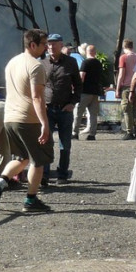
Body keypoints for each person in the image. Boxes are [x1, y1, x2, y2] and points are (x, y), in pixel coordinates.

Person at [0, 29, 53, 213]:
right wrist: (45, 124)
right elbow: (37, 97)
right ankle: (31, 201)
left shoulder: (12, 62)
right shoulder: (36, 66)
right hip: (28, 119)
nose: (46, 47)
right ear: (33, 45)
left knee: (22, 158)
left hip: (10, 117)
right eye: (43, 44)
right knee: (38, 161)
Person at [42, 33, 81, 186]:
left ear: (61, 45)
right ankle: (44, 175)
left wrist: (73, 102)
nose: (51, 47)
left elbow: (78, 85)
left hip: (65, 109)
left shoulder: (71, 62)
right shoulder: (42, 63)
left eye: (54, 44)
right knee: (45, 142)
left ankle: (62, 174)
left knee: (65, 144)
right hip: (47, 108)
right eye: (49, 44)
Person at [75, 43, 104, 141]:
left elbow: (81, 76)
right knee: (93, 114)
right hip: (95, 91)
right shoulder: (99, 63)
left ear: (86, 52)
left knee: (78, 113)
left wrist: (76, 87)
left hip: (85, 91)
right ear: (95, 52)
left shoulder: (85, 63)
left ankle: (75, 132)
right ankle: (92, 134)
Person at [118, 39, 136, 140]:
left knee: (127, 109)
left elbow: (121, 74)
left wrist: (118, 88)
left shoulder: (124, 57)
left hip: (127, 86)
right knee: (134, 109)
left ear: (124, 46)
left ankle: (129, 131)